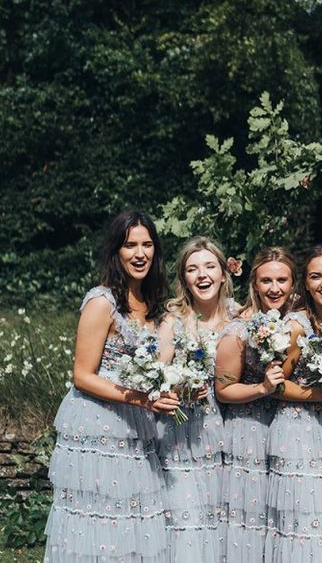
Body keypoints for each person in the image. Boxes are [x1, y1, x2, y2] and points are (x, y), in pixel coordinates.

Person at [44, 210, 178, 562]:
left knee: (134, 518)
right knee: (98, 518)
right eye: (130, 245)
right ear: (116, 252)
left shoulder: (154, 306)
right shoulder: (103, 301)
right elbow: (83, 375)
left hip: (137, 424)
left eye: (147, 244)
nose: (140, 253)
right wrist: (140, 399)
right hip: (98, 423)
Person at [264, 245, 322, 561]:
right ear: (306, 283)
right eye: (316, 277)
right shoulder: (296, 325)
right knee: (304, 520)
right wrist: (319, 394)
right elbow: (276, 385)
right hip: (299, 433)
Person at [157, 237, 236, 561]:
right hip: (181, 437)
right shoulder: (174, 321)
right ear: (184, 278)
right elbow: (156, 376)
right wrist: (178, 388)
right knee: (185, 521)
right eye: (192, 269)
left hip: (226, 435)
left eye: (209, 266)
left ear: (222, 273)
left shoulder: (240, 317)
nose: (202, 275)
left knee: (221, 524)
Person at [216, 247, 294, 562]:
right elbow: (224, 390)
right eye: (266, 281)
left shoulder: (296, 322)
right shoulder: (238, 330)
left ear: (293, 283)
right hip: (247, 431)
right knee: (249, 519)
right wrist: (261, 388)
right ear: (255, 284)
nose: (274, 288)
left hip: (285, 431)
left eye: (282, 280)